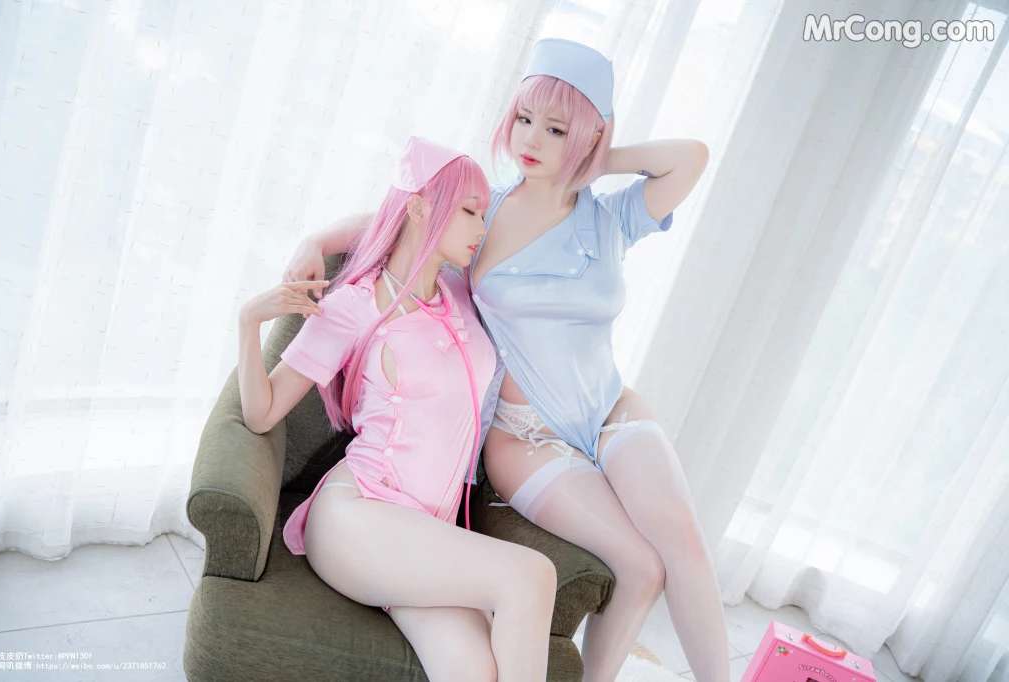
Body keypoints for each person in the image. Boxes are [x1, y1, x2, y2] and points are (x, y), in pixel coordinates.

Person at [285, 39, 726, 682]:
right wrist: (315, 238)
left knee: (682, 544)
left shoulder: (610, 219)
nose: (532, 140)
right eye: (524, 119)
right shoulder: (482, 212)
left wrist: (595, 160)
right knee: (640, 566)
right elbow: (398, 216)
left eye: (556, 129)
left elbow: (691, 158)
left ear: (590, 136)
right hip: (525, 436)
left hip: (610, 410)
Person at [238, 136, 557, 682]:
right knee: (531, 575)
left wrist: (323, 236)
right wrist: (248, 322)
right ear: (420, 208)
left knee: (472, 670)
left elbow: (397, 221)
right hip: (358, 516)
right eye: (469, 211)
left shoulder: (459, 292)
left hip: (424, 534)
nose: (481, 228)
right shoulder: (354, 305)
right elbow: (261, 413)